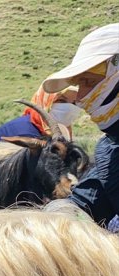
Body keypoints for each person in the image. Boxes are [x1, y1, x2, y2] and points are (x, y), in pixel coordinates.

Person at [41, 23, 119, 226]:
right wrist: (59, 214)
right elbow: (87, 202)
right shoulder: (110, 150)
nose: (81, 97)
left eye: (87, 81)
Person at [0, 84, 80, 141]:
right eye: (61, 101)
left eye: (74, 103)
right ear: (45, 102)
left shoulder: (63, 132)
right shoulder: (24, 132)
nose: (70, 107)